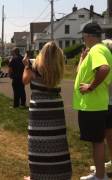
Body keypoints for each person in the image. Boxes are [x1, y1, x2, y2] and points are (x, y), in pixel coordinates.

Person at [22, 41, 72, 180]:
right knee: (57, 140)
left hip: (39, 108)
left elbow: (25, 80)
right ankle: (59, 174)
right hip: (56, 107)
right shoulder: (58, 67)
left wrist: (26, 66)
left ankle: (37, 175)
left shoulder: (35, 66)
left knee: (38, 141)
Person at [73, 22, 112, 180]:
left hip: (93, 105)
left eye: (84, 36)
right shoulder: (102, 49)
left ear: (88, 36)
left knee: (97, 142)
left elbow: (104, 68)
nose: (83, 39)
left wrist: (90, 87)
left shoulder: (96, 50)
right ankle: (100, 174)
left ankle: (100, 177)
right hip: (99, 103)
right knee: (99, 141)